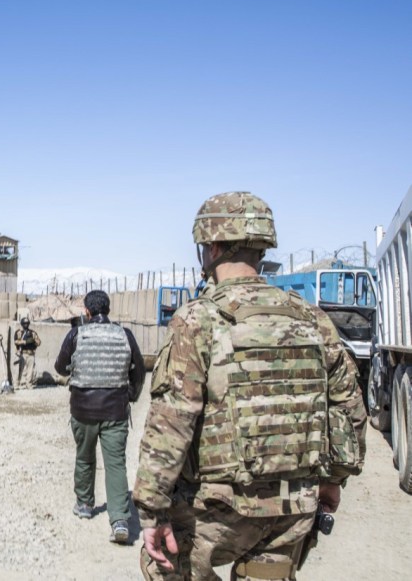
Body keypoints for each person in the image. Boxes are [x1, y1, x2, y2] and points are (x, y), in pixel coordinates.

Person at [134, 192, 367, 580]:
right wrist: (332, 481)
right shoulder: (311, 318)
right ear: (262, 247)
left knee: (162, 567)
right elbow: (350, 409)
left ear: (211, 247)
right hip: (292, 509)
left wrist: (152, 510)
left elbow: (171, 424)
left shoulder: (198, 320)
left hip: (214, 511)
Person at [54, 289, 145, 544]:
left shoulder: (77, 333)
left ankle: (84, 504)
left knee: (84, 458)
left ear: (87, 311)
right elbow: (138, 372)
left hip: (82, 409)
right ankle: (119, 520)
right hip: (115, 410)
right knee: (115, 463)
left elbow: (60, 367)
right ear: (108, 310)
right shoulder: (124, 335)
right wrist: (131, 396)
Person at [14, 317, 41, 389]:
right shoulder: (18, 332)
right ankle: (19, 384)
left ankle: (28, 384)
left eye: (27, 323)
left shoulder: (32, 333)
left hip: (31, 353)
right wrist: (25, 342)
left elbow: (38, 342)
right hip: (22, 353)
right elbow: (16, 342)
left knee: (30, 370)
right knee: (21, 370)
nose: (26, 325)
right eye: (24, 323)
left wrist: (34, 341)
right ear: (22, 324)